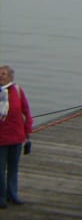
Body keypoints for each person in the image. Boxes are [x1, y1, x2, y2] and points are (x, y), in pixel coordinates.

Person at [0, 65, 32, 208]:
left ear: (10, 77)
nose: (1, 76)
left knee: (13, 167)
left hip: (16, 137)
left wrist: (28, 130)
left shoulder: (17, 91)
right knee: (0, 169)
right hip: (1, 139)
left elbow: (26, 111)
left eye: (4, 74)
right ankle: (1, 197)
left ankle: (12, 194)